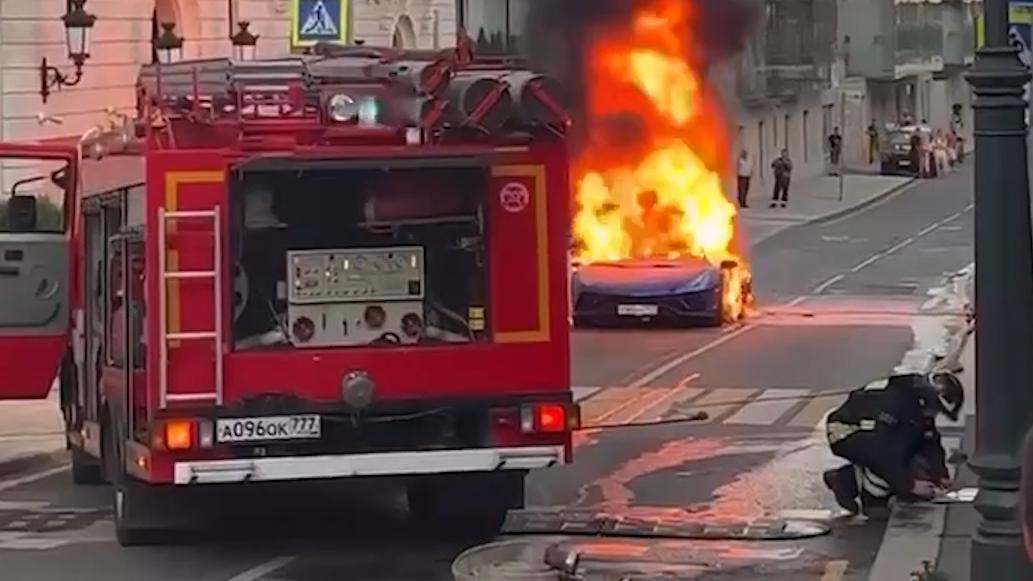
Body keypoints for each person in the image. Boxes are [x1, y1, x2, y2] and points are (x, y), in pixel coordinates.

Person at [823, 371, 964, 518]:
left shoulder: (915, 406)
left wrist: (940, 474)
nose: (934, 414)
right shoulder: (893, 405)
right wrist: (910, 485)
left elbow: (929, 440)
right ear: (926, 399)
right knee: (891, 460)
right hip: (847, 431)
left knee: (916, 465)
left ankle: (856, 480)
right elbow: (883, 451)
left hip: (876, 432)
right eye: (935, 409)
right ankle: (861, 491)